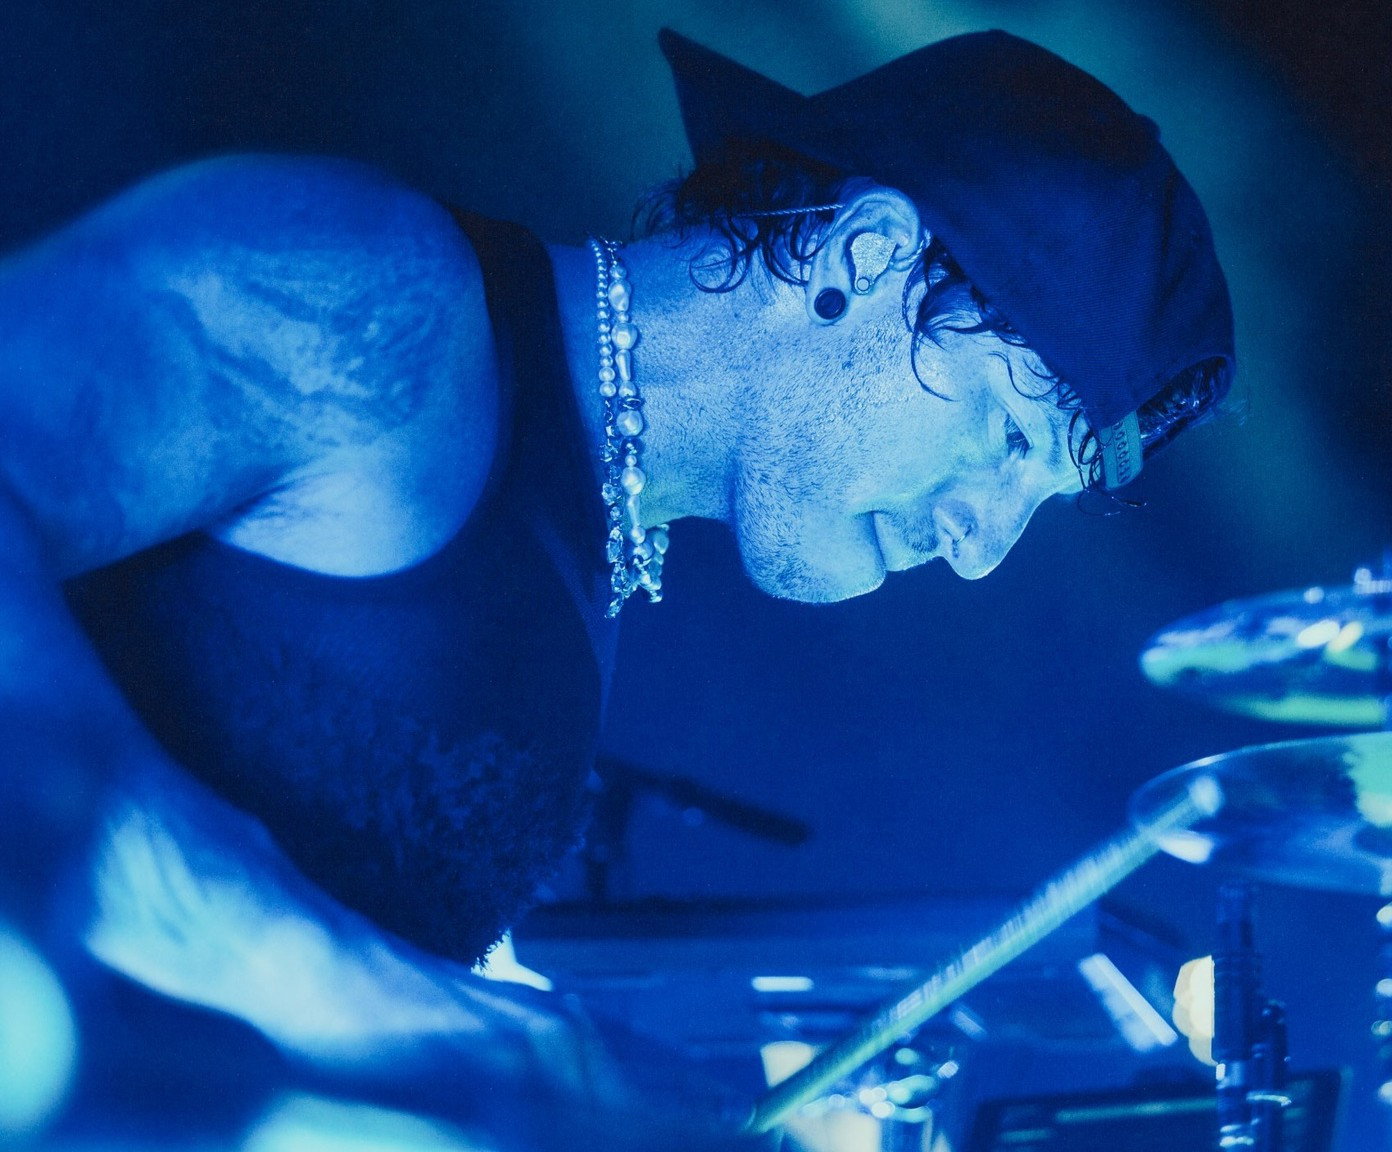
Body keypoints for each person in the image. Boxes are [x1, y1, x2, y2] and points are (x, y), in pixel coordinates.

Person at [0, 27, 1233, 1144]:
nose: (979, 547)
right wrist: (327, 977)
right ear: (864, 255)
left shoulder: (594, 548)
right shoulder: (361, 295)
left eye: (1033, 502)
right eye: (1010, 438)